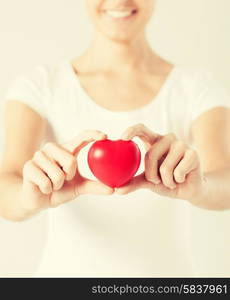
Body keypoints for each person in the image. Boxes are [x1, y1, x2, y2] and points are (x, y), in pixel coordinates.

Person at [0, 0, 230, 277]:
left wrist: (201, 187)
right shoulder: (40, 85)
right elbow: (6, 186)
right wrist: (28, 197)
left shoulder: (196, 87)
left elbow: (224, 179)